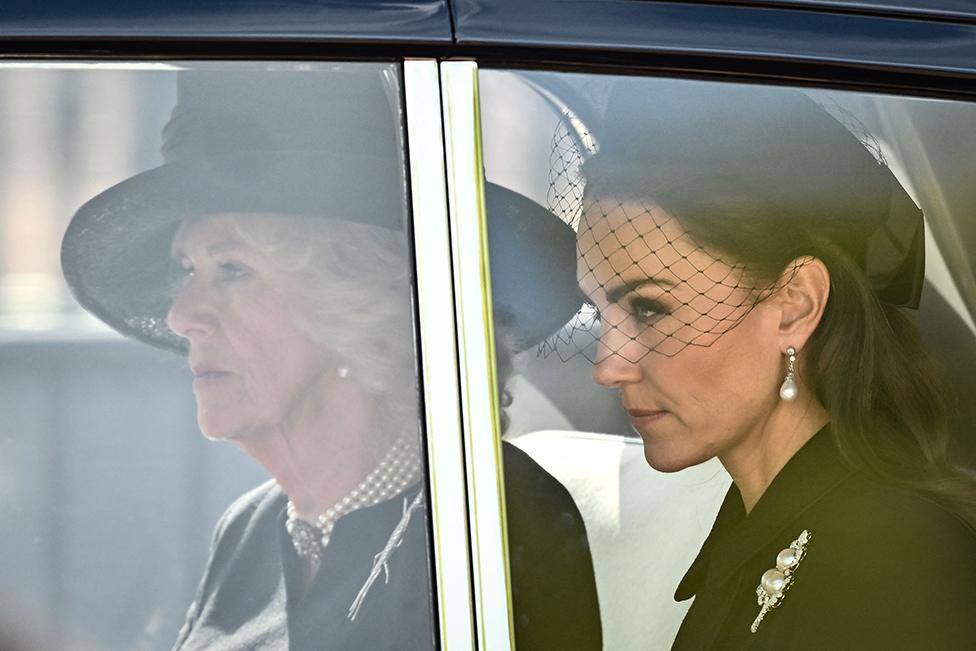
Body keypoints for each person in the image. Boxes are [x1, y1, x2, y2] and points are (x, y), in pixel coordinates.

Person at [60, 66, 600, 649]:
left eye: (232, 270)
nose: (181, 315)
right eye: (188, 270)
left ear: (355, 301)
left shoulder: (484, 521)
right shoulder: (252, 528)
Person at [563, 79, 976, 649]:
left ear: (794, 305)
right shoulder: (766, 534)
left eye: (649, 308)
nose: (609, 366)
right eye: (599, 310)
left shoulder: (893, 557)